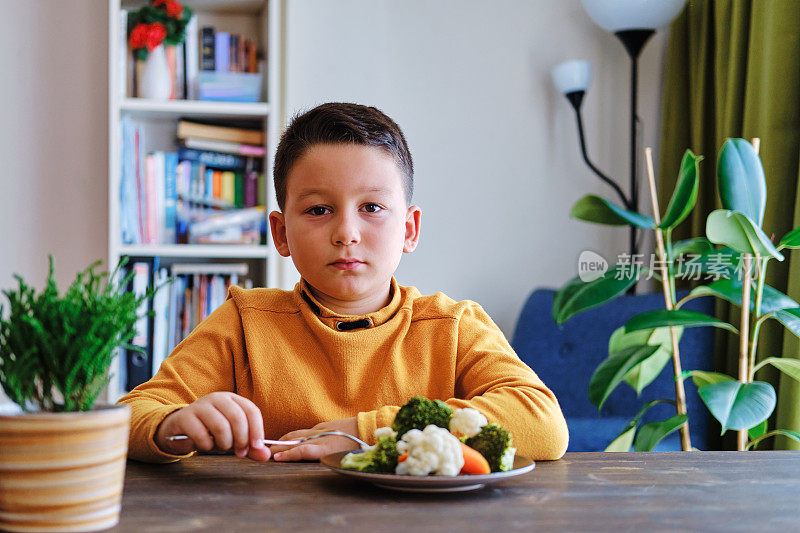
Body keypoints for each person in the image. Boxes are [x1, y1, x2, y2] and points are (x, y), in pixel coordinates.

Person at [118, 102, 569, 463]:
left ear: (409, 230)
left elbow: (542, 423)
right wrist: (174, 423)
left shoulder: (452, 325)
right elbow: (130, 415)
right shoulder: (244, 322)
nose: (346, 233)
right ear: (281, 234)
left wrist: (366, 431)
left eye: (371, 207)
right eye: (318, 210)